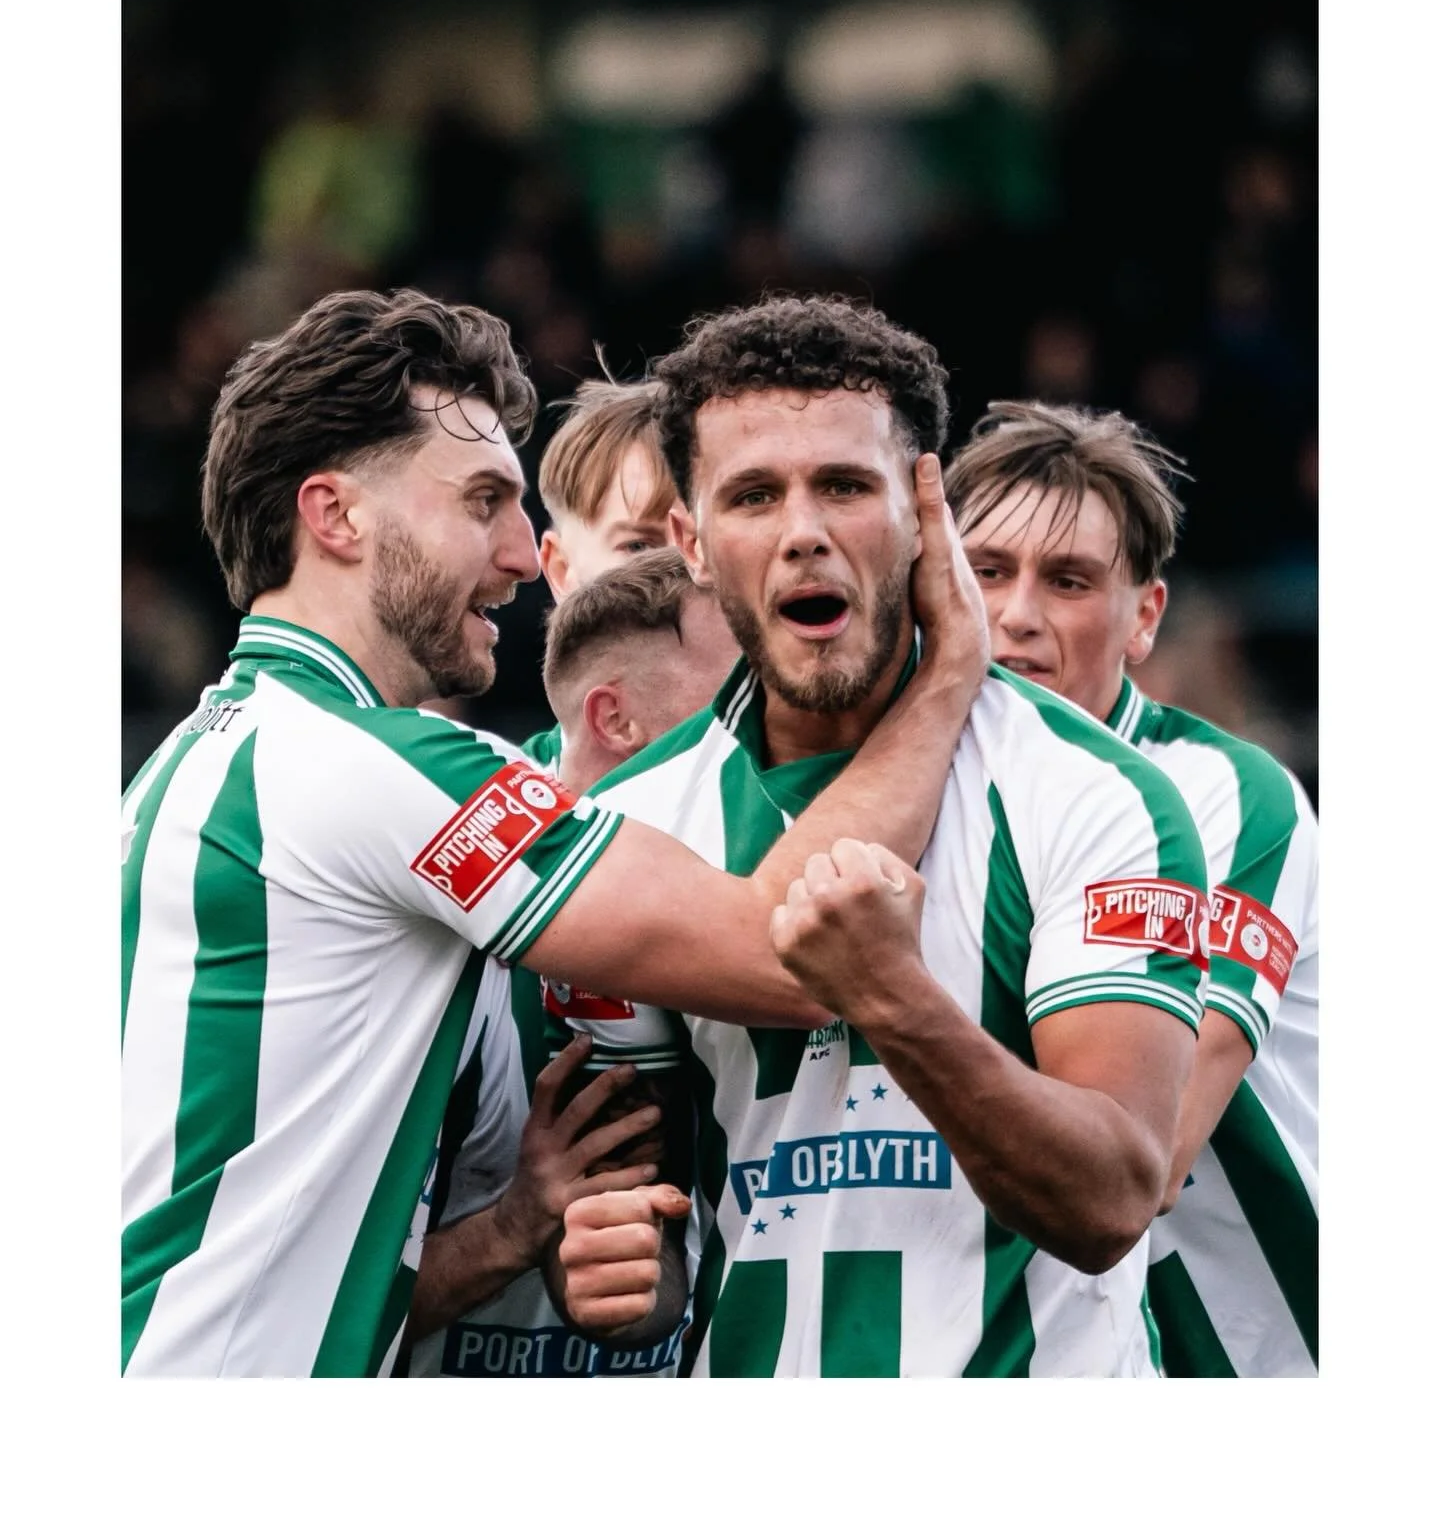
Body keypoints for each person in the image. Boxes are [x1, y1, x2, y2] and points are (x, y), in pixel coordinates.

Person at [120, 287, 985, 1377]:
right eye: (483, 501)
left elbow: (276, 1264)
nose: (526, 556)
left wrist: (509, 1230)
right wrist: (951, 673)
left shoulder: (181, 774)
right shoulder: (378, 770)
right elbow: (793, 949)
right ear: (335, 516)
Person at [553, 295, 1209, 1377]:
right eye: (753, 495)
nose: (804, 530)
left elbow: (1112, 1197)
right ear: (693, 545)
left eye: (845, 487)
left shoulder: (1100, 796)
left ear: (923, 514)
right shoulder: (630, 822)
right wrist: (619, 1271)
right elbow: (649, 1210)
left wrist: (894, 998)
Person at [944, 399, 1318, 1377]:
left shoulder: (1221, 797)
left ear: (1144, 617)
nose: (1016, 613)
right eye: (985, 571)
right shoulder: (904, 793)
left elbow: (1150, 1152)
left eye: (1067, 581)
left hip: (1250, 1369)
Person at [402, 551, 735, 1377]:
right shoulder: (426, 866)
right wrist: (513, 1227)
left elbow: (646, 1260)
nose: (763, 727)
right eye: (736, 699)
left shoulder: (732, 867)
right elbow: (277, 1295)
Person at [523, 373, 680, 769]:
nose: (686, 570)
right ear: (561, 569)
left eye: (702, 543)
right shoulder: (506, 797)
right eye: (639, 546)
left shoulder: (811, 766)